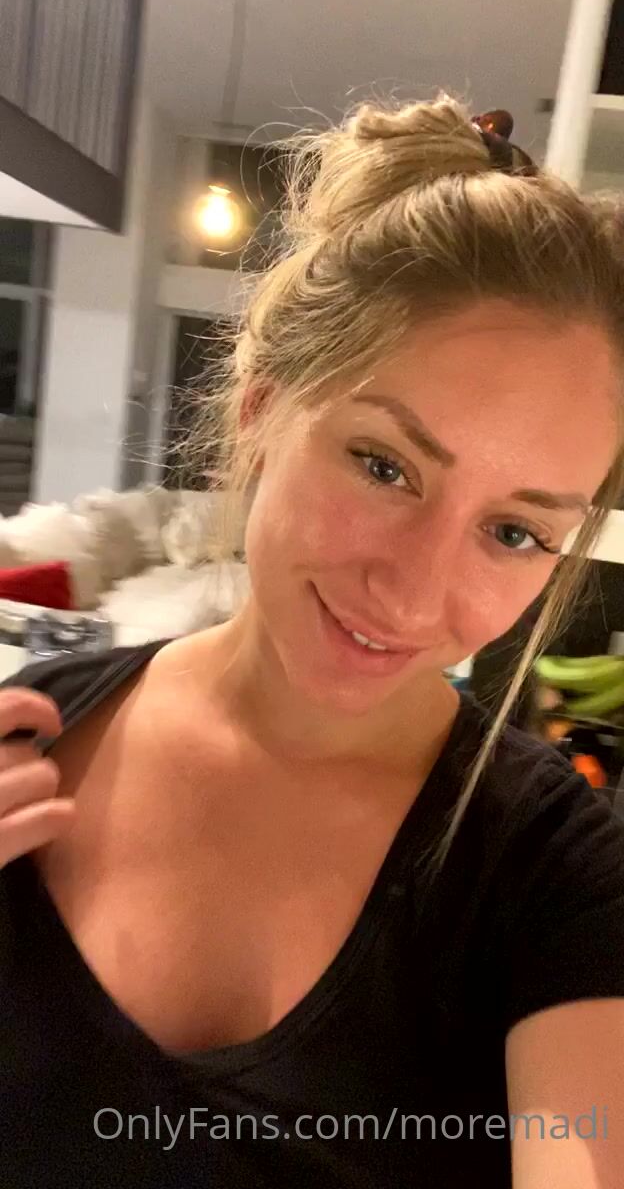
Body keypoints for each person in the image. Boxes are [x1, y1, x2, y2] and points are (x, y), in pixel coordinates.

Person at [0, 95, 624, 1189]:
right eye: (385, 465)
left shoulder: (557, 879)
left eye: (515, 532)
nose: (412, 591)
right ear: (260, 411)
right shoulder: (30, 735)